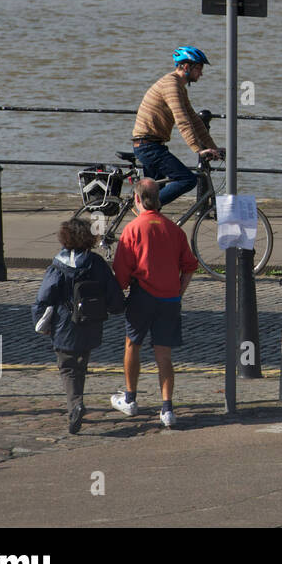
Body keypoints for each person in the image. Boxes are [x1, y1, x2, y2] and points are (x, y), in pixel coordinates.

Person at [111, 180, 198, 427]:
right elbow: (190, 266)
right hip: (169, 300)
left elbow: (121, 273)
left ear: (137, 199)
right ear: (158, 199)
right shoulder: (174, 229)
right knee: (164, 356)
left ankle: (130, 399)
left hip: (142, 297)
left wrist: (117, 293)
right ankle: (167, 409)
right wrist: (179, 292)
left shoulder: (133, 228)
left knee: (132, 344)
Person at [32, 219, 126, 434]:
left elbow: (43, 297)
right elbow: (112, 292)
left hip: (64, 324)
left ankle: (75, 405)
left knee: (67, 366)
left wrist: (39, 321)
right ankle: (78, 401)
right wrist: (118, 307)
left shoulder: (57, 266)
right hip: (91, 322)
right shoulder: (96, 263)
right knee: (81, 363)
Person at [131, 46, 221, 207]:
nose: (201, 73)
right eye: (199, 68)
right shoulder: (171, 86)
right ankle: (143, 209)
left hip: (151, 145)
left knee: (155, 195)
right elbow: (182, 121)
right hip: (149, 147)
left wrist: (213, 147)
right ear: (187, 67)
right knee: (187, 179)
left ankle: (147, 220)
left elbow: (194, 120)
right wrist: (198, 150)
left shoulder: (178, 86)